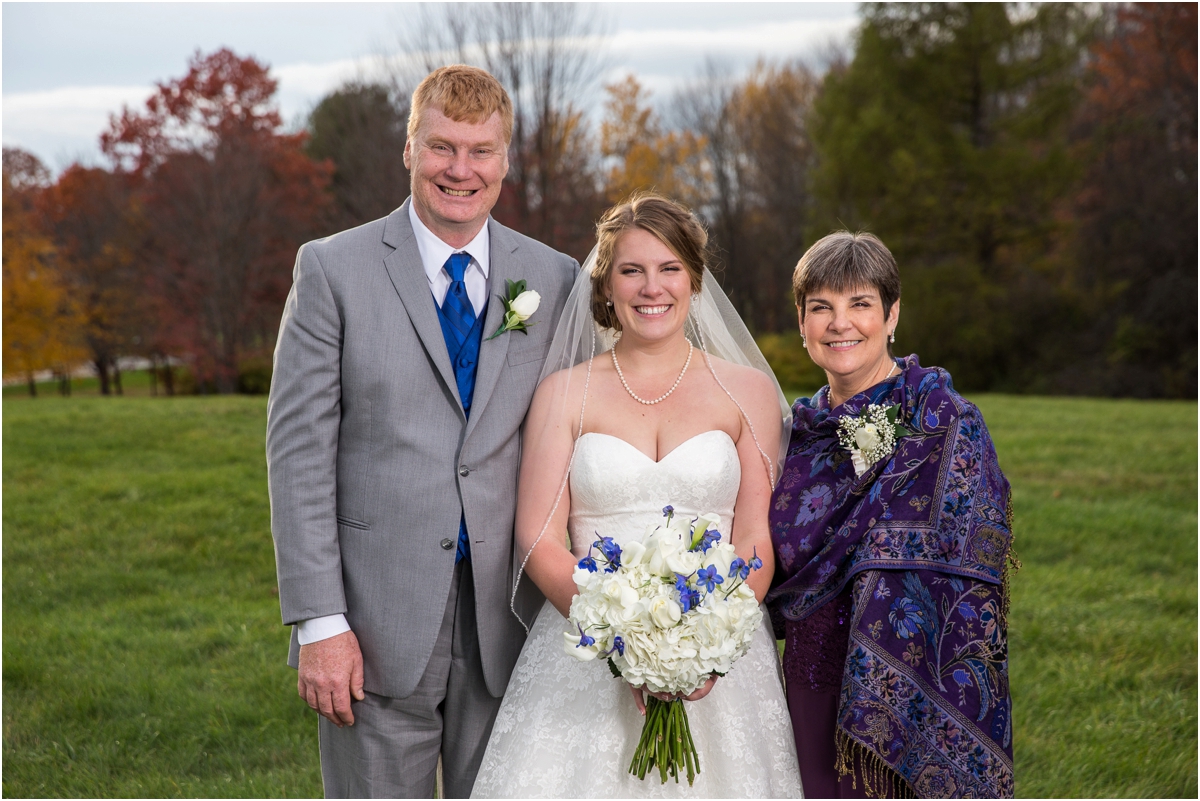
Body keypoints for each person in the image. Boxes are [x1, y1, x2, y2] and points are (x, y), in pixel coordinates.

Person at [266, 65, 577, 798]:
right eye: (441, 147)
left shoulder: (555, 277)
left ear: (505, 160)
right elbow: (298, 456)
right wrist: (319, 620)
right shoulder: (331, 270)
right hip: (373, 621)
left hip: (513, 616)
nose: (460, 170)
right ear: (408, 149)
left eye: (480, 151)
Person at [470, 193, 804, 798]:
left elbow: (756, 536)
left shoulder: (748, 392)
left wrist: (708, 645)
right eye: (632, 270)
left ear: (694, 279)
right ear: (606, 286)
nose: (653, 288)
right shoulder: (563, 393)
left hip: (720, 663)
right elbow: (539, 536)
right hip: (586, 651)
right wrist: (621, 639)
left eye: (669, 268)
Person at [766, 232, 1016, 798]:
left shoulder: (946, 420)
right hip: (810, 675)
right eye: (820, 307)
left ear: (892, 313)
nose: (840, 323)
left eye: (860, 304)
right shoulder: (793, 436)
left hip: (920, 684)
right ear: (802, 324)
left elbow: (971, 555)